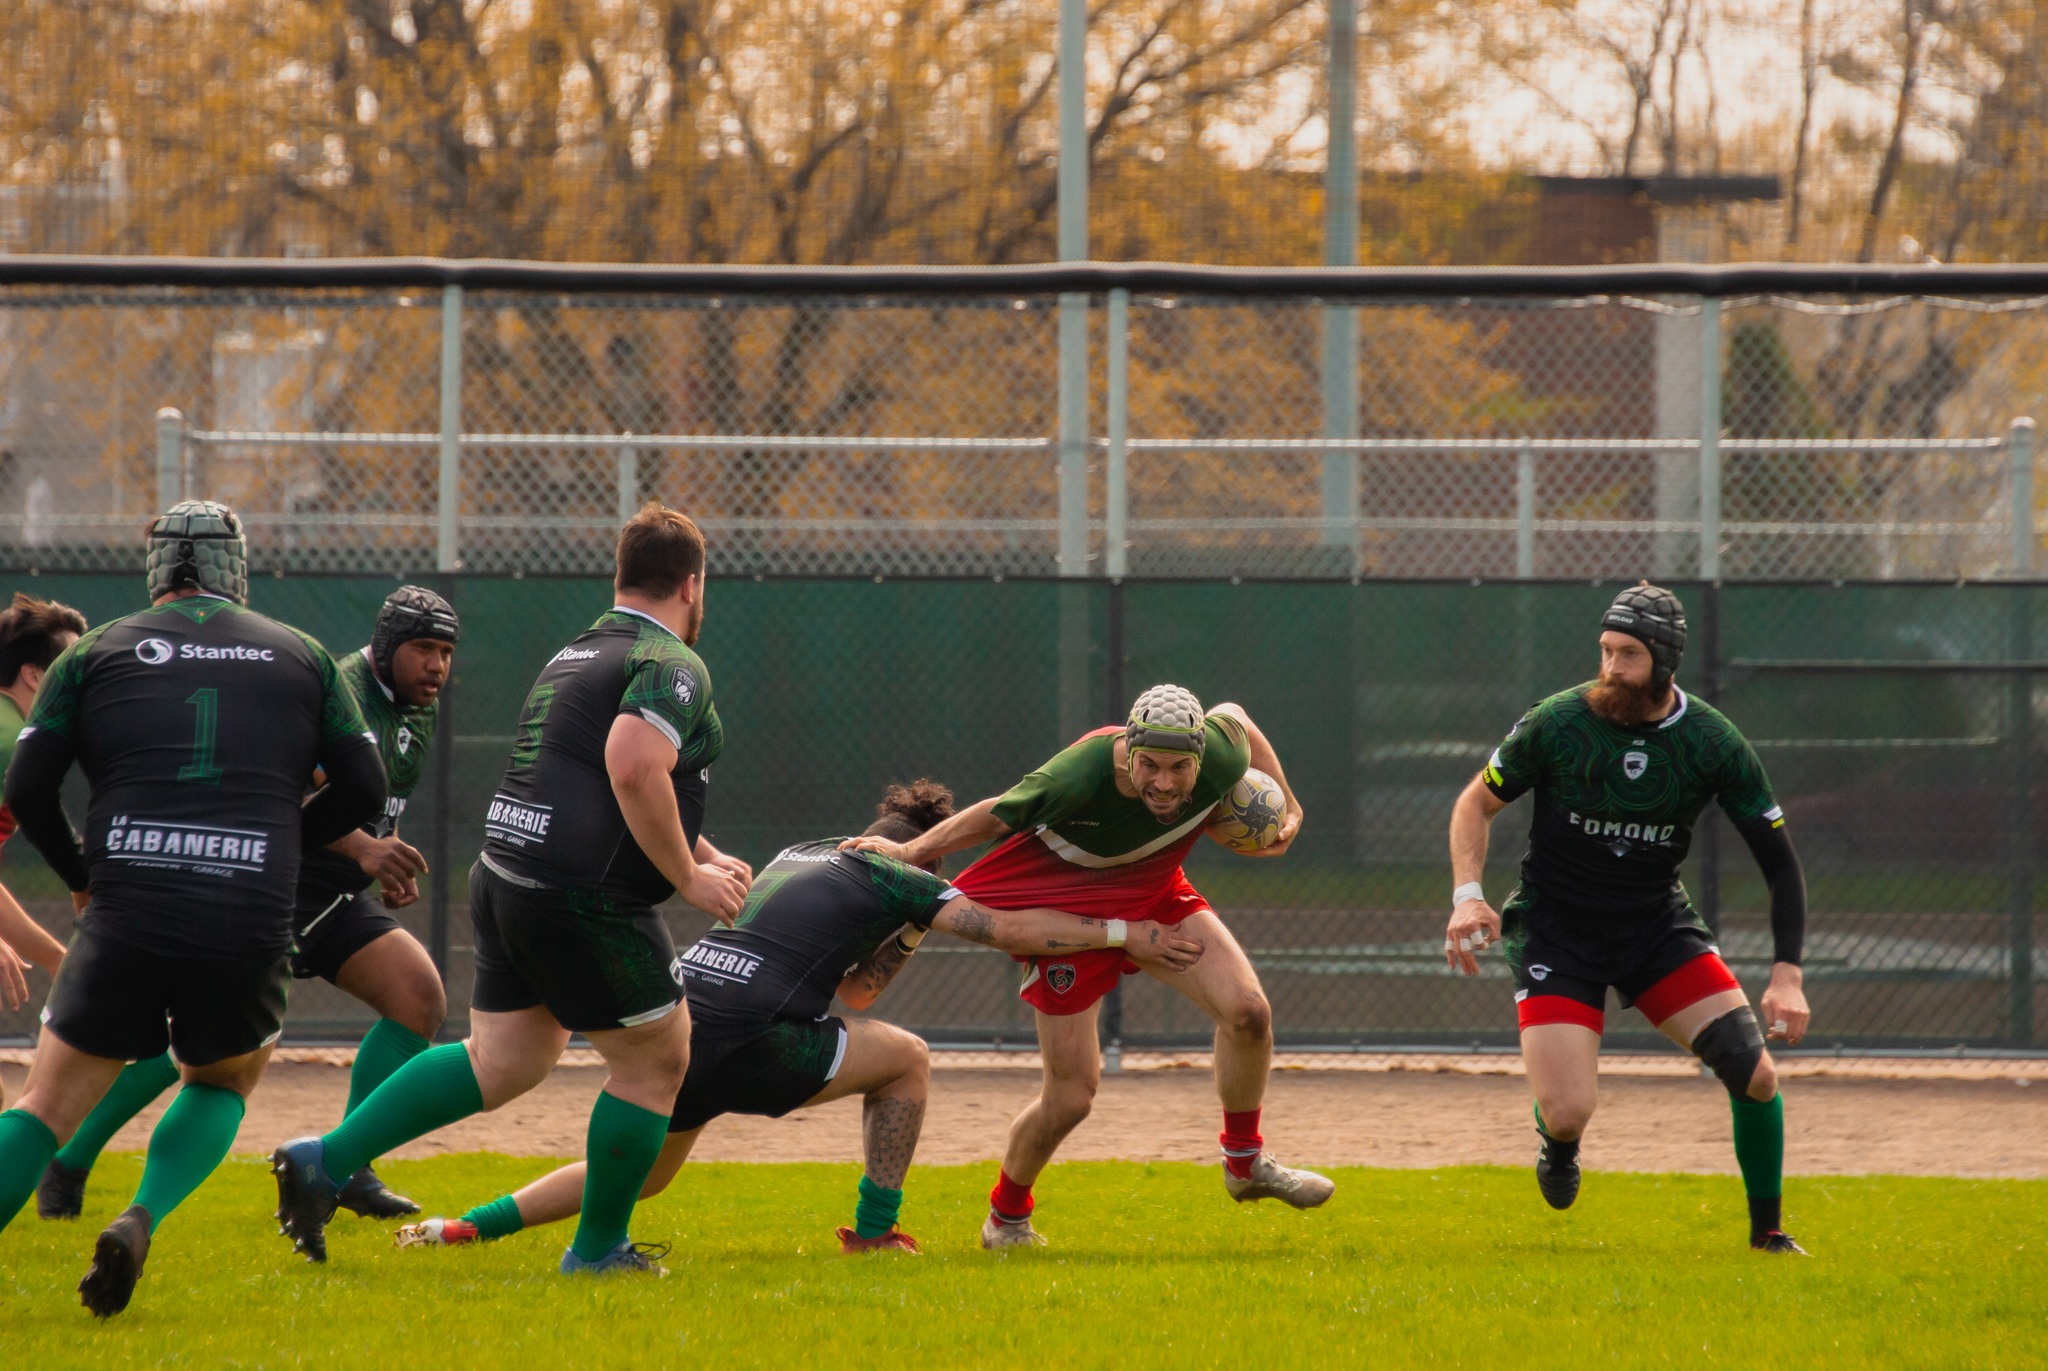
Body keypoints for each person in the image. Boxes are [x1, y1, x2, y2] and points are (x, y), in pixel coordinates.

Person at [395, 779, 1205, 1258]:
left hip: (682, 1022)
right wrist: (1125, 934)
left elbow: (856, 993)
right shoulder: (903, 874)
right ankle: (875, 1233)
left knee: (643, 1175)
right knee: (909, 1059)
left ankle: (466, 1228)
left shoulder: (807, 850)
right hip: (754, 1036)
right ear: (925, 851)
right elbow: (1009, 931)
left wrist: (906, 931)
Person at [270, 502, 751, 1276]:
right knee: (658, 1059)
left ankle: (323, 1158)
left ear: (621, 576)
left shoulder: (578, 651)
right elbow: (634, 766)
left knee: (504, 1058)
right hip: (580, 894)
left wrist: (702, 849)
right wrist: (688, 876)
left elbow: (593, 782)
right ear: (693, 584)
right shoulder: (670, 662)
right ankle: (597, 1250)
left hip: (507, 873)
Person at [0, 501, 387, 1316]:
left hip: (128, 901)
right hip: (247, 906)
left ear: (156, 568)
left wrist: (81, 873)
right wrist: (286, 835)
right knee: (222, 1080)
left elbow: (28, 789)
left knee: (46, 1105)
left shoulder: (94, 650)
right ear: (236, 568)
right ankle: (141, 1214)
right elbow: (365, 785)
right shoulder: (305, 655)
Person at [844, 684, 1331, 1251]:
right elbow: (996, 815)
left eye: (1179, 768)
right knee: (1070, 1097)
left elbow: (1237, 717)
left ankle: (1244, 1164)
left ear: (1201, 757)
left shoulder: (1222, 751)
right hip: (1067, 918)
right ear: (1129, 750)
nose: (1164, 782)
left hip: (1154, 894)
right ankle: (1006, 1219)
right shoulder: (1079, 772)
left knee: (1249, 1013)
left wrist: (1290, 805)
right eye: (1150, 765)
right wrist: (908, 853)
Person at [36, 586, 461, 1221]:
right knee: (186, 1048)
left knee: (418, 999)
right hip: (267, 883)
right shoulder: (336, 688)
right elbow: (270, 795)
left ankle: (346, 1166)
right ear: (387, 644)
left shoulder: (417, 707)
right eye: (424, 648)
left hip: (332, 892)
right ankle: (68, 1161)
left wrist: (384, 859)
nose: (437, 665)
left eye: (447, 652)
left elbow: (372, 801)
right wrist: (366, 849)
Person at [1444, 581, 1811, 1254]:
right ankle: (1559, 1144)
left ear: (1665, 662)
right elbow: (1475, 803)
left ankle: (1769, 1236)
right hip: (1557, 930)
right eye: (1606, 650)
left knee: (1755, 1074)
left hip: (1653, 928)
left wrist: (1787, 974)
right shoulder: (1560, 721)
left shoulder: (1711, 740)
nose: (1612, 667)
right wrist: (1468, 893)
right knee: (1567, 1111)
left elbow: (1781, 865)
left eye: (1630, 654)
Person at [0, 594, 89, 1105]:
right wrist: (58, 959)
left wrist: (55, 959)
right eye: (71, 668)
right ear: (34, 676)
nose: (83, 683)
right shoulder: (12, 743)